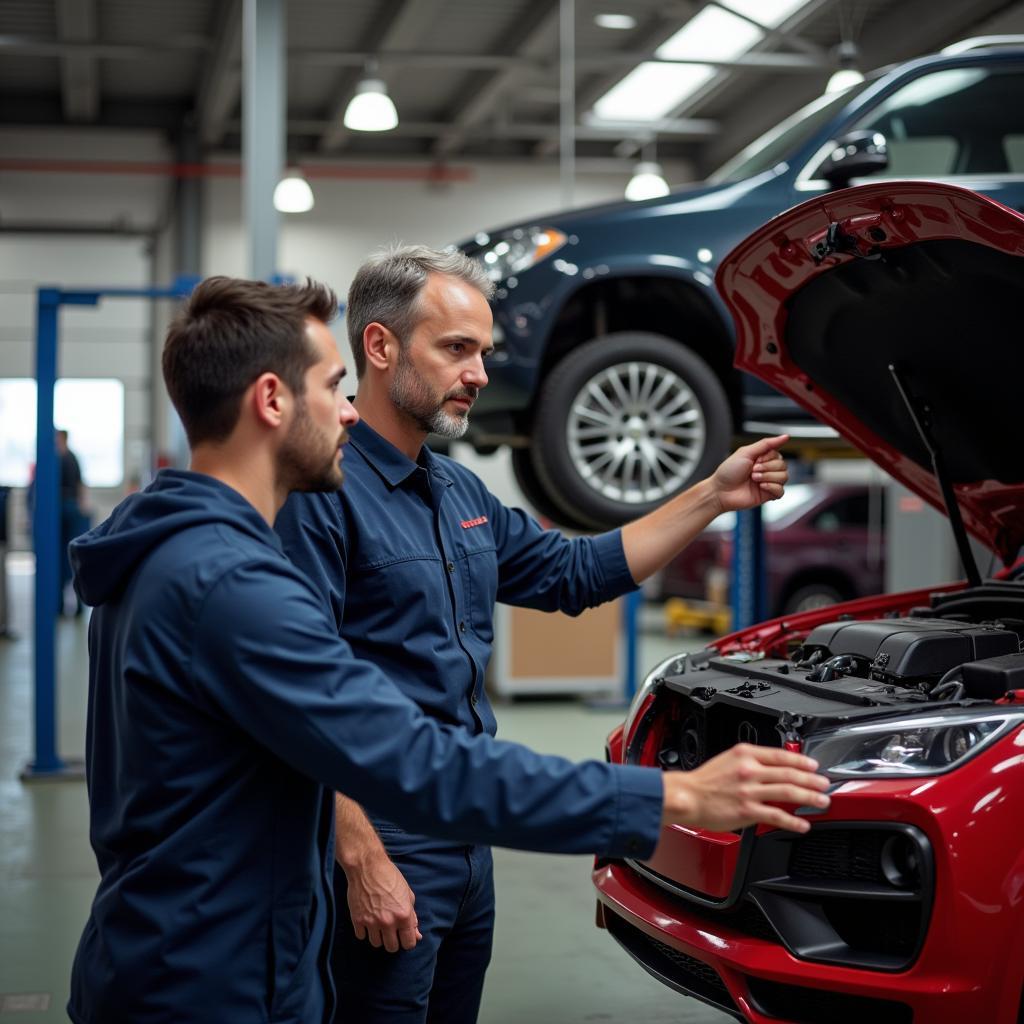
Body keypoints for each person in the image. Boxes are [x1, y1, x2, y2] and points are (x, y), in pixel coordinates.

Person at [67, 276, 828, 1024]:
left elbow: (568, 573)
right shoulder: (228, 582)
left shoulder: (183, 554)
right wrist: (676, 798)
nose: (346, 410)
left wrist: (710, 495)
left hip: (257, 943)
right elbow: (412, 761)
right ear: (272, 400)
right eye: (334, 385)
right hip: (204, 977)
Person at [274, 247, 801, 1024]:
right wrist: (359, 854)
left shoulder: (458, 491)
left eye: (483, 352)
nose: (480, 373)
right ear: (380, 348)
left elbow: (580, 573)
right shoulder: (323, 495)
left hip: (465, 834)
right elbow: (301, 698)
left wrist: (711, 495)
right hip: (381, 835)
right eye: (456, 349)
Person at [56, 428, 88, 615]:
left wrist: (81, 504)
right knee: (61, 559)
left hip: (68, 510)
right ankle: (60, 605)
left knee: (70, 557)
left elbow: (79, 484)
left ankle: (75, 607)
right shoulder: (62, 458)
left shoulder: (67, 459)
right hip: (63, 511)